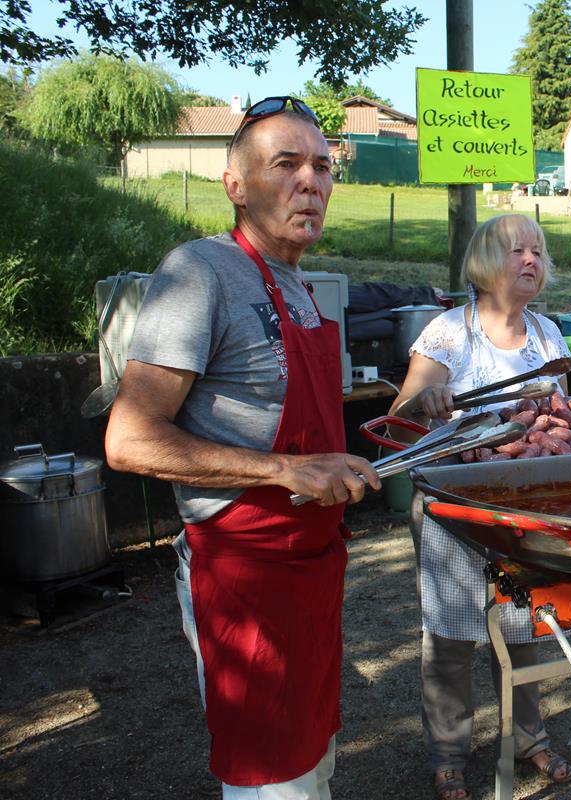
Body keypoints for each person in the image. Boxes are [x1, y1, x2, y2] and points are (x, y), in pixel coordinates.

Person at [105, 97, 381, 799]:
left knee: (313, 764)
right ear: (236, 184)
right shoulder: (199, 273)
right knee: (272, 783)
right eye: (285, 164)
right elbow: (129, 440)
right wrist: (284, 468)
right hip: (244, 577)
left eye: (321, 166)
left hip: (312, 567)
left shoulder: (302, 286)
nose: (310, 182)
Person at [388, 215, 571, 800]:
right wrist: (430, 399)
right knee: (450, 635)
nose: (531, 259)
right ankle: (449, 754)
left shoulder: (547, 337)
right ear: (486, 262)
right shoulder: (449, 332)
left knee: (525, 626)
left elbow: (566, 424)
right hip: (452, 507)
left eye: (539, 251)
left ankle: (528, 739)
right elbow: (400, 415)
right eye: (517, 249)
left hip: (525, 510)